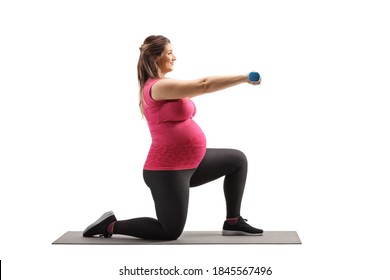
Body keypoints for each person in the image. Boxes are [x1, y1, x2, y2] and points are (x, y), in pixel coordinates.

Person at [82, 35, 263, 240]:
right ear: (155, 57)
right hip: (167, 171)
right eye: (169, 52)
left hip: (192, 164)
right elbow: (204, 84)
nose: (174, 57)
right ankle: (110, 226)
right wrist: (243, 78)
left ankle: (233, 222)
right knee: (169, 231)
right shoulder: (158, 87)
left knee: (237, 160)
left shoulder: (165, 85)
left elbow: (199, 89)